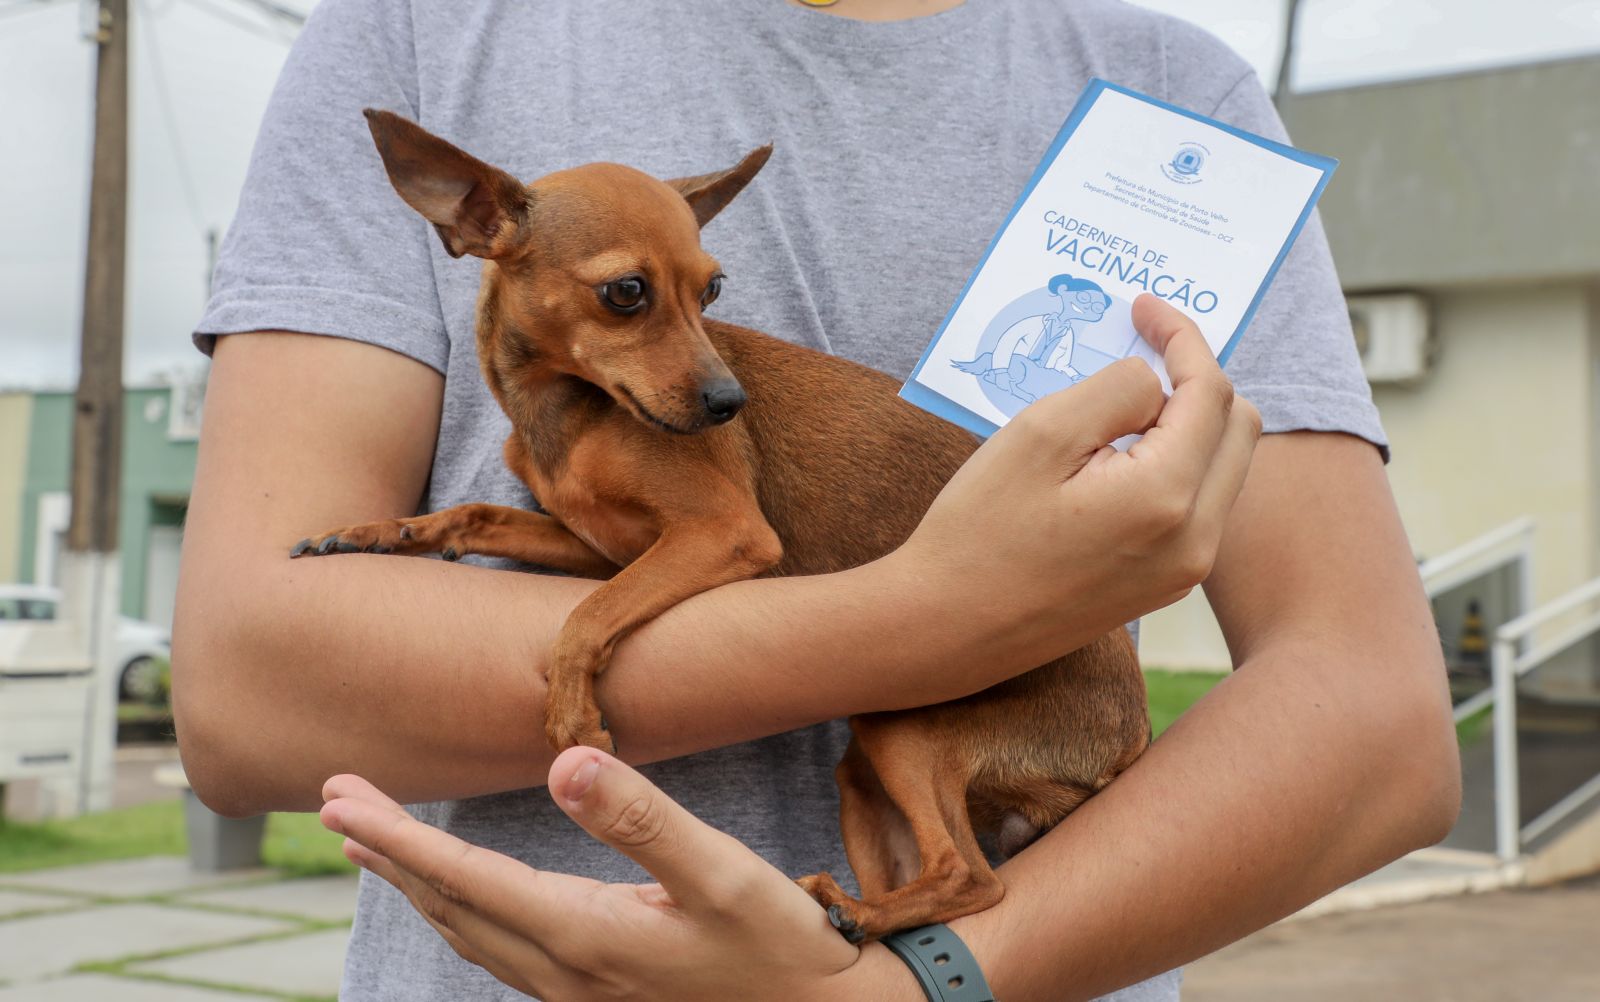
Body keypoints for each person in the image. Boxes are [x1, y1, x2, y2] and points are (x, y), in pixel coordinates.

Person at [172, 1, 1460, 1000]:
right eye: (635, 299)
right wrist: (934, 613)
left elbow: (1372, 722)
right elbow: (246, 700)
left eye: (696, 300)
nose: (699, 355)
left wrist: (913, 987)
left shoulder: (1170, 90)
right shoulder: (424, 31)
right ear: (471, 225)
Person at [953, 274, 1109, 403]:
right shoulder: (1034, 322)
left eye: (1096, 308)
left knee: (1061, 383)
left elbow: (1062, 364)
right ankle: (997, 376)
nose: (1087, 307)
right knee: (1019, 364)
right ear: (1063, 290)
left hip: (1037, 373)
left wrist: (1076, 376)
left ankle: (1017, 387)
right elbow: (1006, 343)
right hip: (1014, 364)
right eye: (1083, 298)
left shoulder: (1068, 334)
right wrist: (1000, 371)